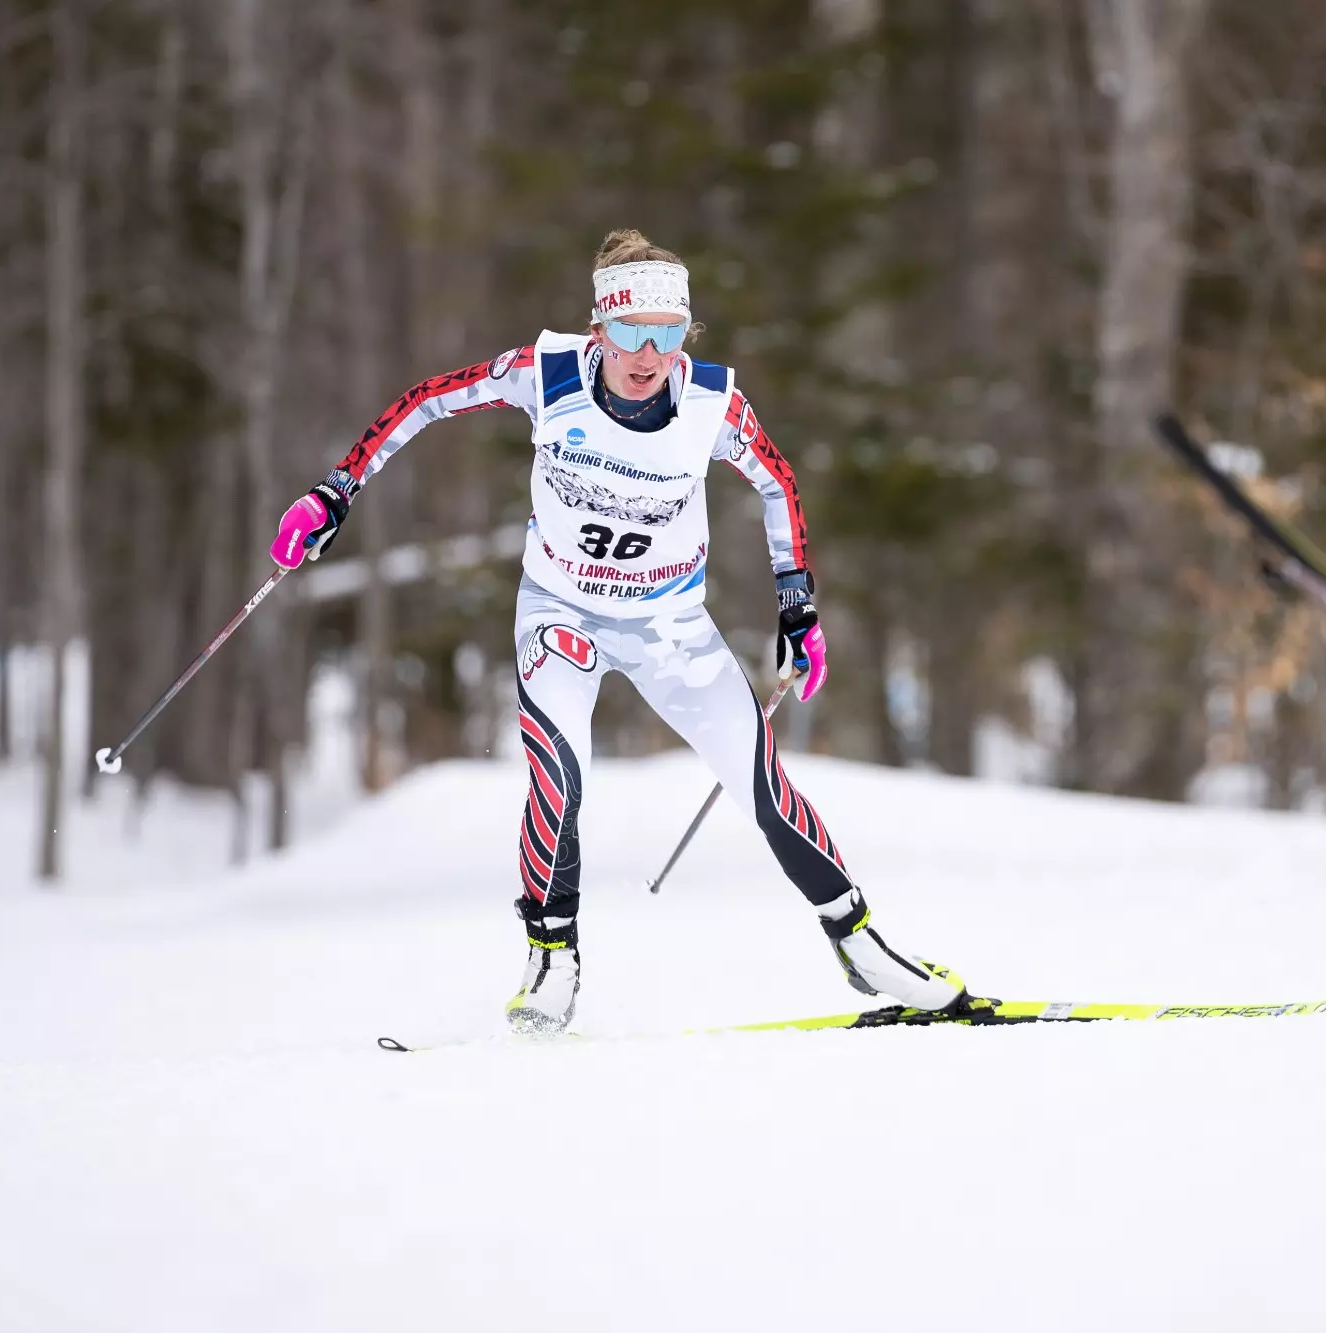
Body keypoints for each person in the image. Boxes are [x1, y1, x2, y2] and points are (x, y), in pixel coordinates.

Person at [269, 229, 966, 1031]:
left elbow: (777, 483)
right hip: (561, 611)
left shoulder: (712, 404)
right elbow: (428, 399)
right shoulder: (546, 376)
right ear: (599, 329)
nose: (650, 354)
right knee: (559, 774)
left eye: (670, 335)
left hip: (669, 623)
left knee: (762, 784)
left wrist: (797, 603)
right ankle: (551, 959)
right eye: (633, 335)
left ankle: (861, 944)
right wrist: (335, 491)